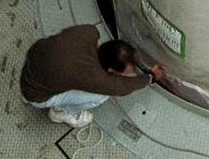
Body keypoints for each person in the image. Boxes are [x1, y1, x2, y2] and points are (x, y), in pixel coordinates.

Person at [20, 27, 165, 128]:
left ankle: (31, 94)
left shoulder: (88, 32)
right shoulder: (95, 78)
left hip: (31, 68)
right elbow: (124, 87)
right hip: (37, 96)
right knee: (100, 97)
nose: (132, 71)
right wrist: (151, 77)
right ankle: (61, 112)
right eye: (127, 71)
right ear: (110, 70)